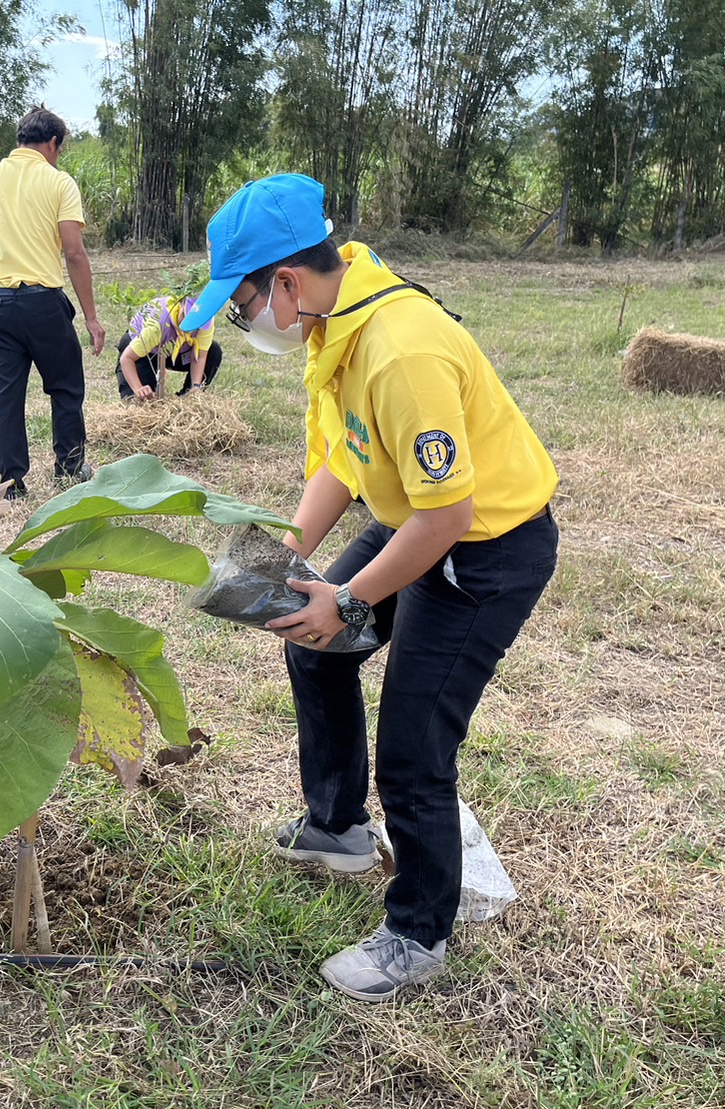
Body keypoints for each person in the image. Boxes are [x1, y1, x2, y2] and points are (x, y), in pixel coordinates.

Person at [181, 174, 559, 1002]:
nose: (242, 320)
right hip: (410, 517)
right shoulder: (333, 327)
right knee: (314, 643)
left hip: (480, 551)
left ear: (286, 281)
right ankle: (337, 827)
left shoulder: (399, 351)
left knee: (414, 748)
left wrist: (348, 597)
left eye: (241, 303)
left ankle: (417, 933)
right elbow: (339, 460)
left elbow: (450, 514)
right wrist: (285, 558)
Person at [0, 105, 105, 501]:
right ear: (52, 143)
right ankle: (69, 469)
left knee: (7, 394)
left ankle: (11, 482)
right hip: (45, 304)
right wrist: (90, 317)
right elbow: (74, 252)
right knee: (66, 387)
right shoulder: (59, 182)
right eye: (59, 149)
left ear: (20, 139)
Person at [115, 294, 222, 400]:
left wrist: (195, 386)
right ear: (180, 304)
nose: (189, 328)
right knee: (143, 399)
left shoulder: (205, 321)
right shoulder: (156, 326)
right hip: (142, 354)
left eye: (195, 325)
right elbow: (127, 358)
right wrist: (138, 388)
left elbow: (200, 356)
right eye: (184, 317)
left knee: (214, 351)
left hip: (173, 350)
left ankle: (186, 398)